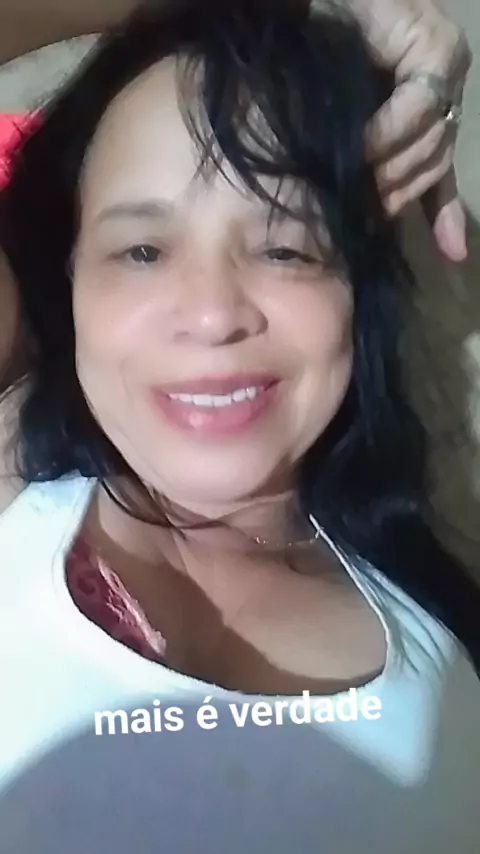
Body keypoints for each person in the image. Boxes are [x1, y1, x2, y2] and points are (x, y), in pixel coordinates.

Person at [0, 0, 478, 851]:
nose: (214, 314)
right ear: (66, 287)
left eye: (285, 248)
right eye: (142, 251)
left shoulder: (443, 665)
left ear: (356, 296)